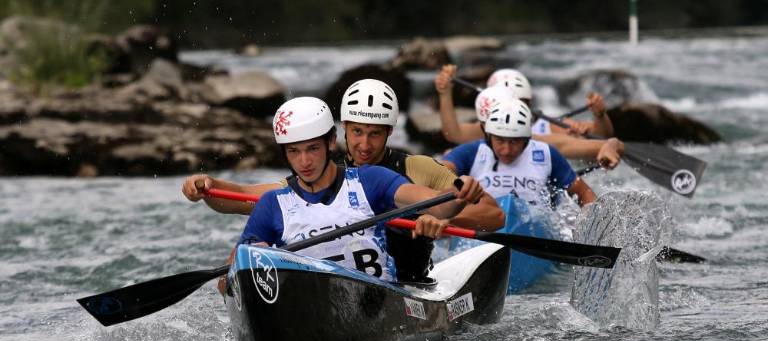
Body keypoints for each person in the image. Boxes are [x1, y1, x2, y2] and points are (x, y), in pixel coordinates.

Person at [183, 79, 504, 282]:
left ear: (390, 132)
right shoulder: (321, 169)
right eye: (357, 132)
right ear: (342, 133)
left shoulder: (403, 171)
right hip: (333, 281)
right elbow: (246, 196)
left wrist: (434, 215)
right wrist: (208, 187)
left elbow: (488, 214)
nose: (364, 145)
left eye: (374, 134)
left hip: (407, 283)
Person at [435, 65, 624, 170]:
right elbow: (453, 134)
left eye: (521, 102)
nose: (513, 110)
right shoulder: (478, 138)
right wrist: (445, 93)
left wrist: (600, 117)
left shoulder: (544, 137)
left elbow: (603, 138)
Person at [441, 98, 596, 208]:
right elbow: (437, 173)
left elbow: (584, 193)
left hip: (534, 235)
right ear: (488, 136)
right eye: (500, 140)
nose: (506, 150)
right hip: (483, 229)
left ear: (527, 139)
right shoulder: (471, 152)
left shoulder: (547, 154)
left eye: (514, 141)